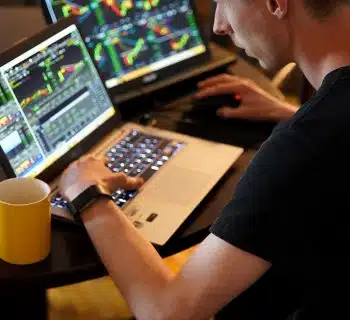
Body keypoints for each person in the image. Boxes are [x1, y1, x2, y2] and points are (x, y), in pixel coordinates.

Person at [59, 1, 350, 319]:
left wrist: (88, 195)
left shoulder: (304, 147)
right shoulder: (326, 128)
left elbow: (166, 311)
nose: (219, 25)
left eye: (223, 3)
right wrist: (294, 114)